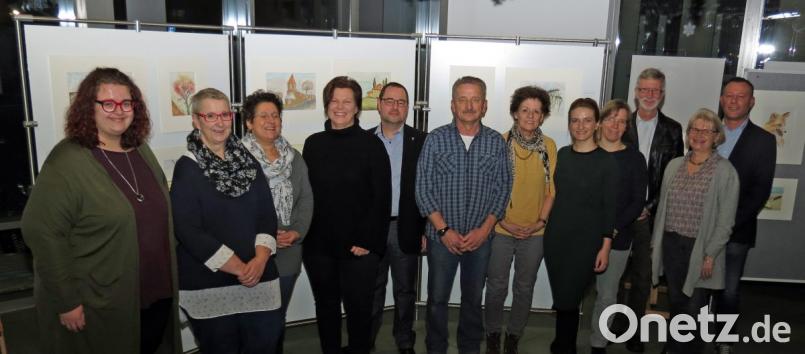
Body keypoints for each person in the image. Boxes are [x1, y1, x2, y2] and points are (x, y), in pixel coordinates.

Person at [21, 67, 180, 354]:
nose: (118, 111)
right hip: (99, 300)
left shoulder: (140, 150)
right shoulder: (67, 160)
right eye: (108, 103)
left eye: (126, 103)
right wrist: (67, 301)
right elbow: (43, 234)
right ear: (88, 107)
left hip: (155, 290)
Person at [171, 88, 283, 353]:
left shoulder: (248, 161)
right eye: (210, 116)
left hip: (259, 277)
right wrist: (239, 268)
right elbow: (188, 230)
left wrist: (259, 260)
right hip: (211, 284)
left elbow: (267, 215)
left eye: (224, 114)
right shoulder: (187, 168)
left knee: (265, 346)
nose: (220, 122)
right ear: (196, 120)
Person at [415, 76, 512, 354]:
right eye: (462, 99)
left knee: (472, 299)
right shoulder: (435, 139)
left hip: (481, 239)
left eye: (475, 99)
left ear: (484, 105)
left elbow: (503, 188)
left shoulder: (496, 142)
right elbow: (422, 188)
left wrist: (485, 230)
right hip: (441, 239)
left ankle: (470, 348)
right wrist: (444, 230)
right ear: (452, 105)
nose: (469, 106)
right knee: (437, 300)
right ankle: (436, 348)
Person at [303, 76, 392, 354]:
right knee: (326, 307)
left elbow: (382, 199)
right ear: (326, 105)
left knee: (359, 311)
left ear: (357, 107)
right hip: (319, 248)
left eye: (347, 101)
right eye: (334, 101)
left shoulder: (372, 145)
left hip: (360, 249)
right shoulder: (313, 144)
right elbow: (307, 196)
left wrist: (368, 241)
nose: (340, 107)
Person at [651, 108, 739, 354]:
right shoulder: (674, 165)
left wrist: (710, 254)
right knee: (677, 302)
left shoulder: (725, 171)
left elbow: (726, 221)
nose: (699, 135)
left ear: (716, 136)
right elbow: (663, 210)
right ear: (688, 133)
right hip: (671, 245)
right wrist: (657, 244)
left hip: (700, 249)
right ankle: (674, 347)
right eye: (694, 129)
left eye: (706, 131)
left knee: (695, 307)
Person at [483, 85, 557, 354]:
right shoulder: (500, 142)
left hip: (535, 233)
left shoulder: (549, 146)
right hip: (501, 228)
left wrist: (540, 222)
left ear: (543, 116)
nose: (530, 116)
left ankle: (513, 335)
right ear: (515, 113)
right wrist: (502, 221)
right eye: (525, 110)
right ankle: (492, 333)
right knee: (496, 287)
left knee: (524, 288)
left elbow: (550, 191)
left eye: (537, 111)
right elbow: (490, 189)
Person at [240, 89, 313, 354]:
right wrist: (267, 236)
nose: (271, 121)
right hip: (250, 253)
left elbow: (306, 199)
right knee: (252, 323)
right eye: (263, 115)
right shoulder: (236, 158)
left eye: (275, 115)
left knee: (275, 321)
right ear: (249, 122)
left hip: (288, 251)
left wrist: (296, 232)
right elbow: (233, 208)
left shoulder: (294, 157)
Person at [617, 67, 684, 353]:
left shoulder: (673, 129)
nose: (649, 95)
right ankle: (616, 323)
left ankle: (634, 331)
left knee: (643, 277)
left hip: (650, 215)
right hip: (621, 212)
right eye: (644, 89)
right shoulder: (620, 124)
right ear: (636, 92)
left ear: (662, 94)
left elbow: (675, 175)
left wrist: (649, 206)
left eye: (655, 90)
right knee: (616, 273)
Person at [544, 98, 617, 354]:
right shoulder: (562, 155)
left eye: (587, 120)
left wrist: (606, 246)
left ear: (597, 124)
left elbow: (610, 208)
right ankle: (561, 342)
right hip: (556, 239)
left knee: (570, 297)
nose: (580, 125)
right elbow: (551, 195)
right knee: (563, 298)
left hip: (586, 243)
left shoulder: (607, 162)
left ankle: (564, 346)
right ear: (569, 124)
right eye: (575, 120)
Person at [712, 77, 776, 354]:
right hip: (700, 228)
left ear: (751, 102)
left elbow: (760, 191)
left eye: (741, 96)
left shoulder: (764, 141)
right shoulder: (706, 131)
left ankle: (724, 340)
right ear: (721, 99)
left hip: (737, 230)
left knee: (728, 290)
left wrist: (727, 225)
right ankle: (690, 335)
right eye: (729, 95)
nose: (734, 101)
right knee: (697, 288)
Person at [368, 82, 427, 354]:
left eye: (401, 102)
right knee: (371, 290)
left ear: (408, 107)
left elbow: (429, 187)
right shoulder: (364, 140)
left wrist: (426, 229)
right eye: (389, 101)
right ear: (379, 105)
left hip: (407, 227)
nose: (395, 106)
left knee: (405, 291)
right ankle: (365, 340)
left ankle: (404, 340)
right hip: (371, 230)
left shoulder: (421, 141)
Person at [589, 100, 648, 354]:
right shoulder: (586, 152)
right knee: (573, 293)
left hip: (619, 237)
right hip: (583, 235)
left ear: (627, 127)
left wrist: (611, 230)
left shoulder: (635, 158)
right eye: (611, 119)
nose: (615, 125)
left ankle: (598, 344)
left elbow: (637, 201)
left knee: (607, 295)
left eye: (622, 121)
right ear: (600, 122)